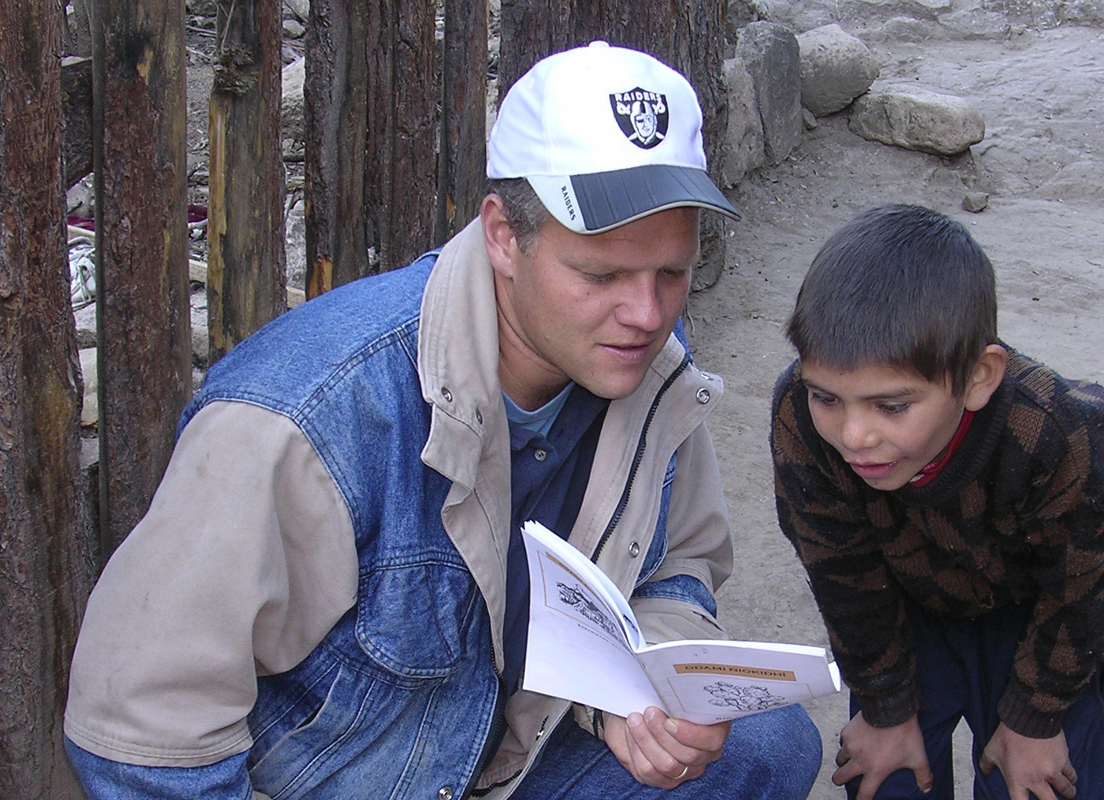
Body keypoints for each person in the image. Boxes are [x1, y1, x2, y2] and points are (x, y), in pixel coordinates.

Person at [64, 42, 821, 800]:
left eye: (672, 273)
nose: (647, 314)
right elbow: (143, 739)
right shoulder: (303, 418)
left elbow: (676, 570)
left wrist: (639, 696)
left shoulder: (651, 369)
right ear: (502, 235)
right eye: (601, 275)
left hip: (509, 761)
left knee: (763, 744)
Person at [770, 205, 1104, 800]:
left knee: (1038, 780)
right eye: (827, 396)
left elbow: (1085, 584)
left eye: (891, 406)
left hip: (1042, 609)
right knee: (886, 775)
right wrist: (885, 704)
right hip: (899, 594)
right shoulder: (802, 419)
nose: (854, 435)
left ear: (979, 378)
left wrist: (1034, 719)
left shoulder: (1056, 435)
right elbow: (839, 567)